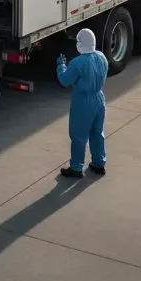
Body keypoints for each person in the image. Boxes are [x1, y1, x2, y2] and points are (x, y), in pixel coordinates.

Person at [56, 28, 108, 178]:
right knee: (97, 132)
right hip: (99, 98)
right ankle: (99, 163)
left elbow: (65, 80)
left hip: (83, 101)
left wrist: (61, 66)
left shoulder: (78, 63)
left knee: (79, 135)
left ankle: (76, 168)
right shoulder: (101, 57)